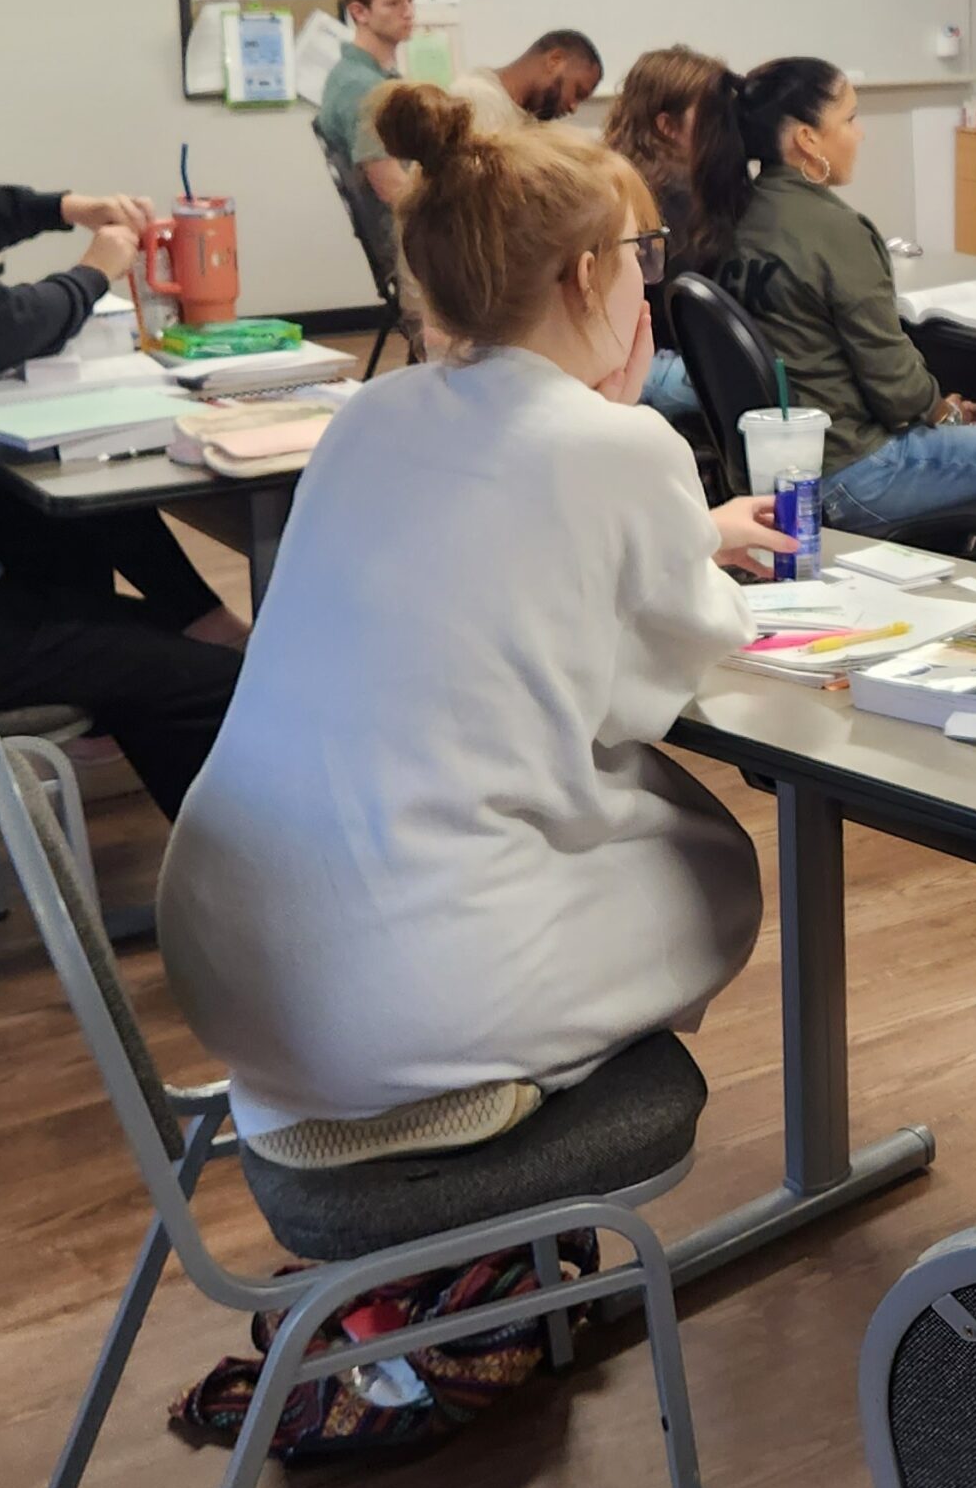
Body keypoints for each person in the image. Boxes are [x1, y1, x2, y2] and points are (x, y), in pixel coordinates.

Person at [158, 82, 785, 1144]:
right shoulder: (612, 443)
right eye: (642, 253)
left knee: (622, 830)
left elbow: (491, 552)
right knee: (714, 872)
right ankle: (501, 1153)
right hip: (400, 998)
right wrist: (640, 454)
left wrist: (680, 521)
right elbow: (666, 670)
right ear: (588, 274)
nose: (649, 281)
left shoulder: (372, 414)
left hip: (234, 957)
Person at [0, 182, 241, 819]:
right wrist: (95, 271)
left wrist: (57, 208)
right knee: (209, 685)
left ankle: (191, 622)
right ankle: (239, 899)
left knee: (45, 487)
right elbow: (1, 327)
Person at [720, 58, 976, 573]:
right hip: (852, 472)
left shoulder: (736, 218)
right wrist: (946, 412)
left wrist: (937, 411)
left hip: (775, 468)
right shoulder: (835, 229)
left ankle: (962, 587)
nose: (860, 134)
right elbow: (896, 391)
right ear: (807, 138)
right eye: (849, 120)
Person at [604, 46, 748, 430]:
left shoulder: (616, 176)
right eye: (713, 118)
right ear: (667, 126)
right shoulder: (670, 202)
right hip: (651, 367)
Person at [314, 0, 418, 208]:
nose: (408, 12)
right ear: (359, 12)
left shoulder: (373, 77)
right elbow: (393, 189)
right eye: (393, 3)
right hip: (402, 233)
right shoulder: (362, 87)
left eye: (410, 0)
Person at [451, 28, 604, 138]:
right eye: (577, 92)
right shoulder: (475, 98)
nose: (573, 108)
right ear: (555, 60)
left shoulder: (532, 117)